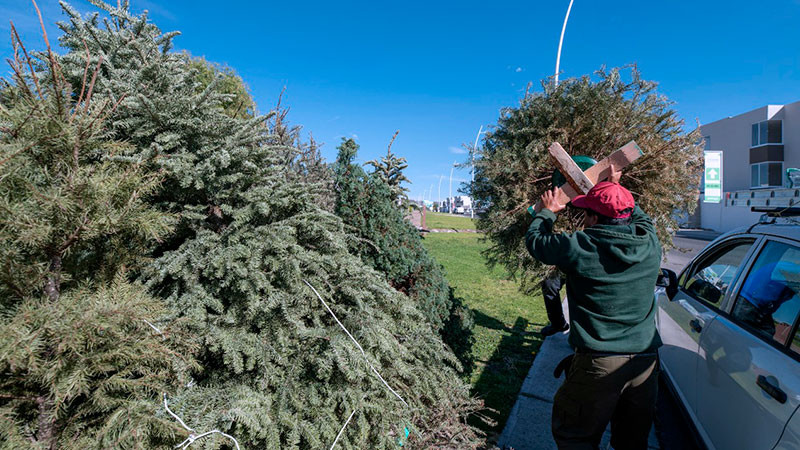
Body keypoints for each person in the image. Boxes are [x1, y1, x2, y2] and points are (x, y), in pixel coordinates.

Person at [525, 166, 662, 450]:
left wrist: (547, 211)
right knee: (631, 443)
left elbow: (537, 242)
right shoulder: (650, 244)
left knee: (576, 438)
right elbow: (640, 216)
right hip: (645, 364)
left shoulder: (581, 246)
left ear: (595, 218)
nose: (583, 218)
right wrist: (616, 189)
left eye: (586, 213)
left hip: (599, 364)